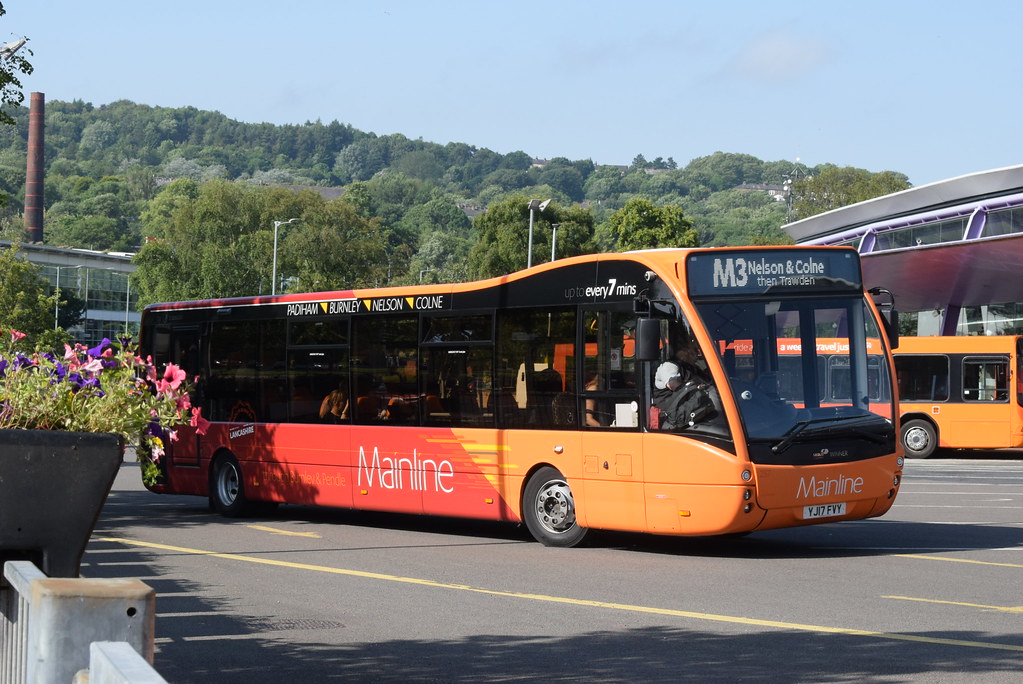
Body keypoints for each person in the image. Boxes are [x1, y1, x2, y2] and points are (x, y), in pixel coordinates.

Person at [652, 361, 715, 430]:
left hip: (691, 412)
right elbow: (673, 385)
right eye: (690, 351)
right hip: (673, 419)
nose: (694, 354)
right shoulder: (669, 366)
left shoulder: (691, 367)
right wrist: (696, 388)